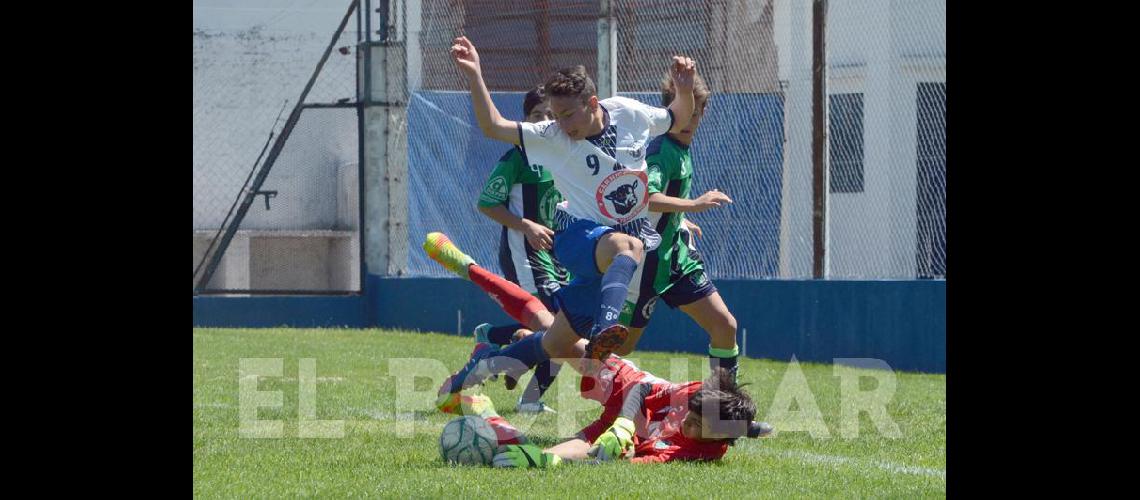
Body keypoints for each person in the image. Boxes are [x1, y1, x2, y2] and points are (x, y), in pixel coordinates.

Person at [436, 35, 698, 407]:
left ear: (592, 103)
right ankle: (605, 330)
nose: (561, 124)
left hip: (610, 260)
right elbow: (493, 126)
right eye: (555, 116)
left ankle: (478, 367)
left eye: (568, 115)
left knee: (552, 344)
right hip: (576, 235)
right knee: (631, 245)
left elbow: (678, 116)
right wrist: (476, 74)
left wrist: (684, 90)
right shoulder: (552, 136)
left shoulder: (629, 113)